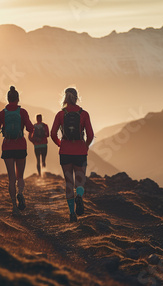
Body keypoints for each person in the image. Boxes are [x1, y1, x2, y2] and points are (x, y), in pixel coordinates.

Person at [51, 87, 94, 222]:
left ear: (65, 98)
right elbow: (91, 135)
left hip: (65, 152)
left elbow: (52, 134)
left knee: (69, 183)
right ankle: (79, 197)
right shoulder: (84, 114)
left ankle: (71, 214)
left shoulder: (60, 114)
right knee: (79, 182)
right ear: (76, 98)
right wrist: (85, 146)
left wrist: (60, 143)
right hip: (80, 151)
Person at [0, 86, 34, 215]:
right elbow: (30, 128)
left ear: (7, 99)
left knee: (11, 178)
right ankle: (20, 193)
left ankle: (14, 207)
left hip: (7, 147)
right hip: (21, 146)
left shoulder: (1, 113)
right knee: (20, 176)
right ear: (17, 99)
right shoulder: (23, 112)